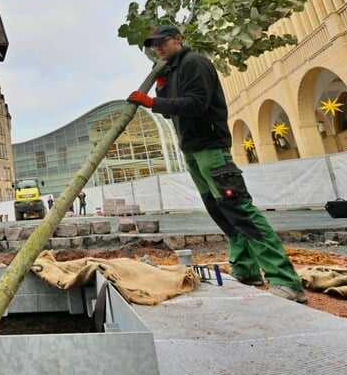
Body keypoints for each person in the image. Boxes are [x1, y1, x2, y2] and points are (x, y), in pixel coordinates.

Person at [127, 24, 307, 303]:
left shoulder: (194, 63)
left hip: (211, 148)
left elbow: (196, 104)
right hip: (192, 149)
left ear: (178, 39)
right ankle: (246, 269)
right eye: (153, 45)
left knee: (239, 209)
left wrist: (151, 102)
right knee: (221, 212)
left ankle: (285, 280)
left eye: (163, 42)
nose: (158, 48)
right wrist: (161, 89)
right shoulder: (171, 71)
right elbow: (171, 111)